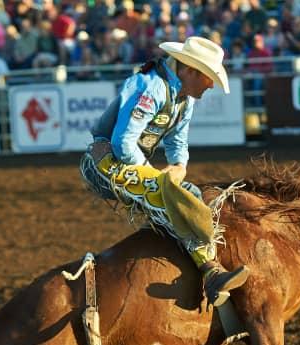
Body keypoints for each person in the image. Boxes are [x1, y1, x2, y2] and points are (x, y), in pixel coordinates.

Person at [79, 36, 249, 308]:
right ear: (191, 71)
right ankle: (211, 271)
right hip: (102, 164)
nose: (211, 85)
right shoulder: (152, 87)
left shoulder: (184, 98)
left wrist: (179, 167)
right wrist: (157, 176)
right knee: (170, 194)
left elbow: (177, 142)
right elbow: (123, 142)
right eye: (208, 78)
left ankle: (207, 267)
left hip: (125, 164)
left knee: (189, 192)